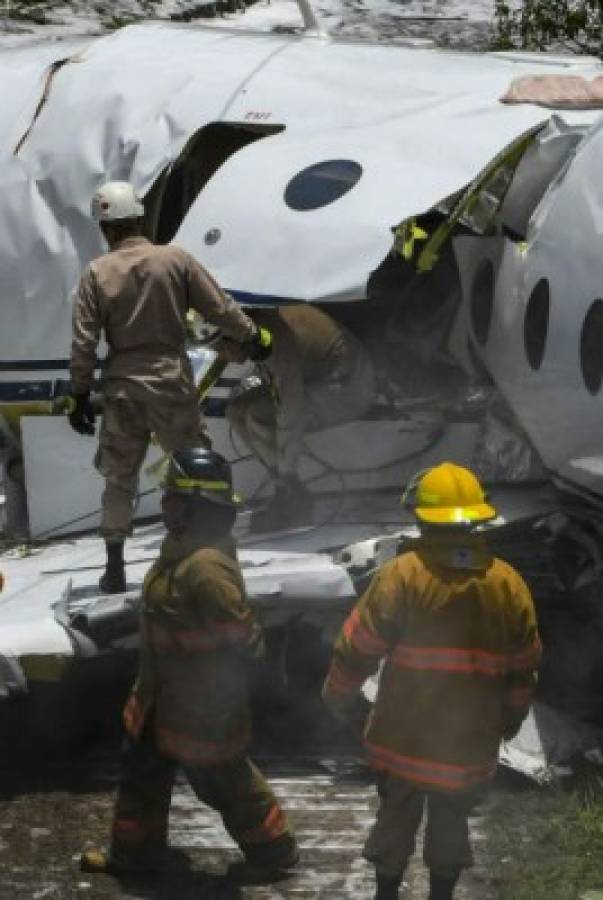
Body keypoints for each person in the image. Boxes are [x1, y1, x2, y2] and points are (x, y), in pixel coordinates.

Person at [321, 462, 541, 900]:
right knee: (450, 824)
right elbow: (524, 667)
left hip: (402, 739)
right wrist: (510, 720)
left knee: (394, 821)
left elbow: (359, 646)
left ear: (422, 518)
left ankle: (387, 893)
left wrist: (337, 695)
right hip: (466, 744)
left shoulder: (403, 575)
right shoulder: (507, 583)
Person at [80, 447, 298, 881]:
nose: (164, 504)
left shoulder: (206, 569)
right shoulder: (180, 550)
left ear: (194, 506)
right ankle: (134, 858)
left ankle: (274, 853)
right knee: (141, 781)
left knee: (225, 783)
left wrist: (207, 675)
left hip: (201, 708)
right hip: (157, 698)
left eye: (172, 496)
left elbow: (246, 642)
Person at [69, 180, 268, 594]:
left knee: (119, 478)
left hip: (123, 389)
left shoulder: (96, 273)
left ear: (106, 229)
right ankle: (208, 553)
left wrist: (79, 393)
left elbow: (84, 339)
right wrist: (252, 336)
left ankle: (114, 569)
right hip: (170, 383)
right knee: (196, 469)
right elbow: (220, 306)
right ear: (140, 218)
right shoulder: (175, 260)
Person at [221, 303, 377, 531]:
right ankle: (285, 488)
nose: (222, 356)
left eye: (222, 347)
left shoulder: (275, 340)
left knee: (257, 414)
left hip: (351, 388)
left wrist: (288, 472)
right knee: (235, 411)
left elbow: (289, 409)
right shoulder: (253, 328)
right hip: (317, 379)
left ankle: (291, 494)